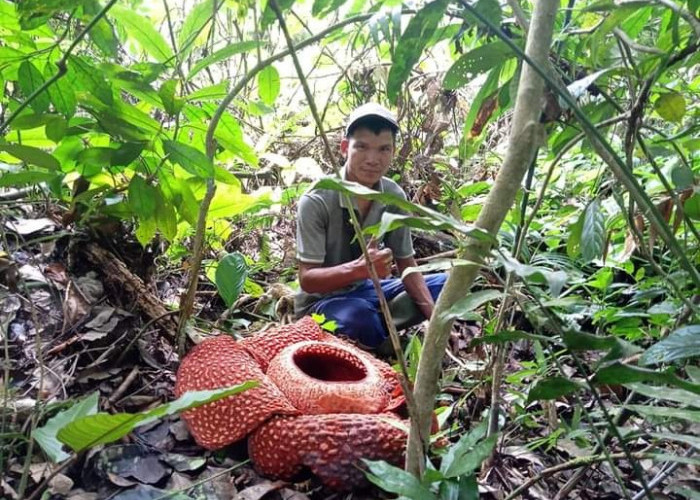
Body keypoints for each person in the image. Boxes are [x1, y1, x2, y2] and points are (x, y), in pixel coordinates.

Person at [294, 103, 447, 349]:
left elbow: (406, 264)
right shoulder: (318, 199)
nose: (373, 159)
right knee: (358, 319)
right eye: (362, 147)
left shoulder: (393, 194)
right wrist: (359, 269)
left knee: (447, 286)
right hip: (321, 301)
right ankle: (375, 329)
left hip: (368, 290)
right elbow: (308, 280)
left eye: (383, 149)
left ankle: (374, 328)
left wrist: (436, 320)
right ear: (345, 148)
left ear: (393, 151)